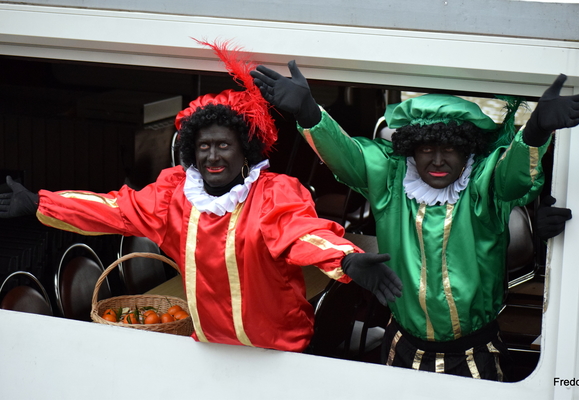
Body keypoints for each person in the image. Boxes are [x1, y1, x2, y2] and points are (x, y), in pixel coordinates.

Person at [0, 42, 402, 353]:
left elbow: (302, 233)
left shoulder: (272, 195)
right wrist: (38, 203)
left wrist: (346, 258)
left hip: (281, 352)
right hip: (207, 349)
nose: (212, 156)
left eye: (224, 146)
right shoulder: (173, 196)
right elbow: (115, 210)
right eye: (204, 146)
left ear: (246, 151)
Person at [251, 62, 579, 378]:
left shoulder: (483, 184)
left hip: (474, 353)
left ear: (467, 151)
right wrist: (309, 111)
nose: (437, 160)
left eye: (449, 149)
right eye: (425, 149)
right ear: (410, 150)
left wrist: (536, 129)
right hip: (401, 347)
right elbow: (347, 156)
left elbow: (515, 175)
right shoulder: (390, 180)